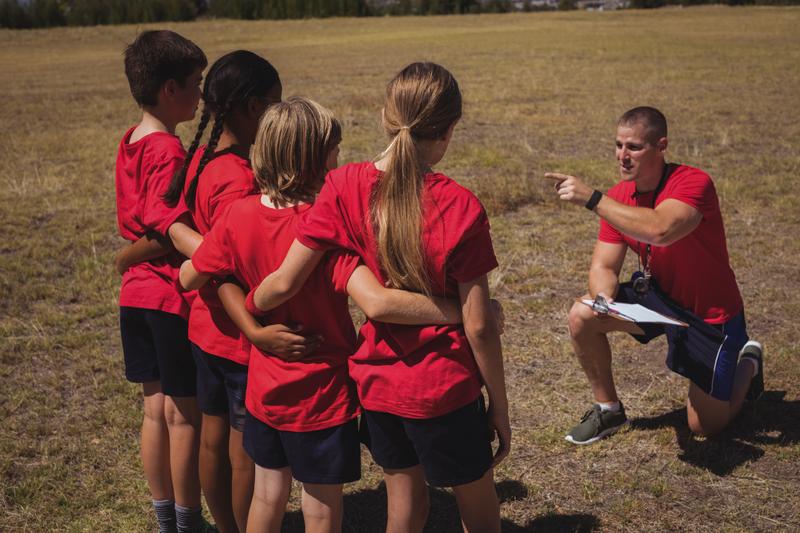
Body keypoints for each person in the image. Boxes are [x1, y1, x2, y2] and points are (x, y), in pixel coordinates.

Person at [179, 97, 472, 532]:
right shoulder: (325, 227)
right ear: (315, 160)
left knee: (267, 493)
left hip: (264, 385)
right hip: (322, 395)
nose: (340, 158)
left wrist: (243, 305)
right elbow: (373, 299)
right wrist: (461, 310)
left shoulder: (236, 216)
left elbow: (190, 276)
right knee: (319, 506)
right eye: (334, 149)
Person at [247, 63, 510, 533]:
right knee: (479, 512)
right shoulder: (462, 206)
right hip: (444, 387)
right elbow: (480, 326)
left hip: (377, 385)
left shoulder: (341, 184)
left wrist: (251, 307)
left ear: (385, 116)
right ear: (450, 129)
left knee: (404, 509)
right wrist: (500, 409)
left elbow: (286, 279)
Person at [545, 106, 763, 445]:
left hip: (709, 313)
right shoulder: (619, 197)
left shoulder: (694, 183)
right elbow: (604, 266)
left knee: (705, 427)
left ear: (661, 146)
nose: (622, 156)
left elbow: (660, 230)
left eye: (633, 147)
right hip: (660, 299)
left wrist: (593, 199)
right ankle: (608, 410)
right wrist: (603, 299)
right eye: (618, 145)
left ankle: (748, 362)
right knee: (582, 314)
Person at [114, 30, 209, 532]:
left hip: (135, 298)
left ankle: (164, 520)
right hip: (167, 296)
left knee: (155, 413)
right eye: (196, 84)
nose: (201, 93)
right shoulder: (168, 150)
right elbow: (164, 228)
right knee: (184, 417)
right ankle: (189, 521)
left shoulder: (129, 140)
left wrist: (124, 259)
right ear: (170, 89)